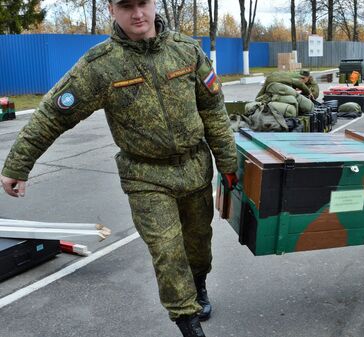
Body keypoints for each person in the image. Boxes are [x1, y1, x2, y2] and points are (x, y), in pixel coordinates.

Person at [0, 1, 238, 336]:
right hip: (145, 176)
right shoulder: (101, 66)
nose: (137, 13)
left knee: (198, 245)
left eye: (143, 3)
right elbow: (53, 114)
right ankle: (188, 322)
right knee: (168, 253)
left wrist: (228, 163)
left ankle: (198, 284)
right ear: (112, 9)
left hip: (195, 168)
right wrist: (18, 164)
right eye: (126, 6)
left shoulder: (187, 52)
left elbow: (213, 109)